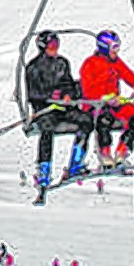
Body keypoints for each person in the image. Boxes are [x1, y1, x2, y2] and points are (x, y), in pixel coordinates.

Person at [23, 31, 91, 200]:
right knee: (48, 128)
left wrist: (69, 94)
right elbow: (33, 94)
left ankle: (76, 163)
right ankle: (44, 169)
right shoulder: (33, 68)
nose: (55, 49)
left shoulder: (62, 63)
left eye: (56, 45)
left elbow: (67, 83)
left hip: (63, 109)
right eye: (52, 46)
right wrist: (51, 97)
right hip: (45, 110)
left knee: (86, 122)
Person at [77, 30, 134, 168]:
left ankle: (122, 152)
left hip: (114, 104)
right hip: (95, 105)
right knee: (104, 118)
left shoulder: (116, 62)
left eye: (117, 46)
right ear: (104, 47)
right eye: (114, 47)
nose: (117, 50)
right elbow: (88, 91)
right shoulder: (90, 64)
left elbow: (132, 78)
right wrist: (105, 98)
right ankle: (105, 154)